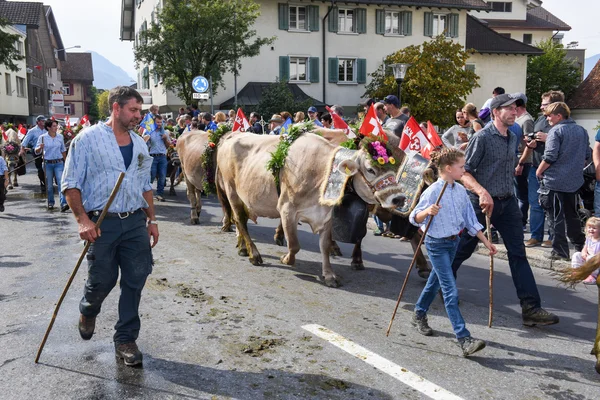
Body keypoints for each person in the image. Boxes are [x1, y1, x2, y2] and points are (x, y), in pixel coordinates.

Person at [62, 86, 158, 367]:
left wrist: (151, 220)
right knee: (102, 280)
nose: (137, 116)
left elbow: (144, 185)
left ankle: (125, 338)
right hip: (101, 224)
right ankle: (88, 309)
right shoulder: (87, 140)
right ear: (116, 108)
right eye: (133, 110)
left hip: (134, 223)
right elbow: (71, 184)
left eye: (139, 111)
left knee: (136, 278)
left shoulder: (140, 144)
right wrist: (82, 220)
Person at [450, 93, 560, 326]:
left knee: (518, 253)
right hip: (480, 204)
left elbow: (507, 165)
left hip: (507, 203)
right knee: (463, 249)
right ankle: (442, 284)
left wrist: (519, 164)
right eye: (509, 108)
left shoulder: (512, 137)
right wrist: (481, 192)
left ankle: (531, 307)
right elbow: (464, 172)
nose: (514, 112)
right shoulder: (482, 138)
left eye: (516, 108)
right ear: (495, 112)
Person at [409, 147, 497, 357]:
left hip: (453, 243)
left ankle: (419, 314)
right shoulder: (432, 191)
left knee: (435, 281)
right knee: (450, 290)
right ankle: (463, 338)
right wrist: (426, 212)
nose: (464, 170)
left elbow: (470, 221)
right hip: (436, 244)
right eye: (461, 167)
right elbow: (413, 217)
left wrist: (486, 242)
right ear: (448, 168)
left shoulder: (460, 191)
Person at [536, 102, 589, 261]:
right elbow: (586, 155)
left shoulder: (556, 131)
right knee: (572, 216)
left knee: (555, 218)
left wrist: (539, 170)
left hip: (554, 181)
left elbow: (550, 156)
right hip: (574, 181)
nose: (547, 119)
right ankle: (580, 248)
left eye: (549, 115)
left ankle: (560, 251)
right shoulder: (582, 131)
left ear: (559, 116)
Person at [520, 91, 564, 248]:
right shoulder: (540, 119)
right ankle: (536, 236)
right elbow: (535, 139)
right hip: (535, 167)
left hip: (553, 169)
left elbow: (565, 145)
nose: (541, 106)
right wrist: (531, 142)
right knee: (535, 203)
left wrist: (548, 138)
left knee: (552, 205)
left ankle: (553, 237)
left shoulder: (562, 122)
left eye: (544, 104)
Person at [34, 119, 67, 211]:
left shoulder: (60, 137)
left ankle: (63, 203)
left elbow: (63, 150)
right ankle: (51, 202)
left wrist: (66, 162)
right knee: (49, 185)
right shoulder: (42, 137)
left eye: (56, 126)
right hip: (47, 163)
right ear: (48, 127)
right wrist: (40, 148)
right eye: (54, 126)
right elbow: (37, 151)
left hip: (59, 163)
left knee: (61, 183)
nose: (56, 127)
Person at [513, 93, 534, 232]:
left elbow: (529, 143)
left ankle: (521, 223)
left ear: (517, 106)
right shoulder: (519, 119)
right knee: (517, 193)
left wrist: (521, 162)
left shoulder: (526, 120)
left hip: (523, 160)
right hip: (517, 158)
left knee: (521, 194)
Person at [143, 114, 171, 202]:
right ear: (154, 122)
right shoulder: (149, 131)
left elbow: (168, 146)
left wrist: (165, 139)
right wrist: (146, 139)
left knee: (162, 176)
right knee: (152, 175)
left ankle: (160, 194)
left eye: (161, 122)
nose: (159, 124)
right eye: (157, 122)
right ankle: (147, 193)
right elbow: (143, 145)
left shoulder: (164, 132)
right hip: (152, 157)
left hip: (162, 157)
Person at [19, 115, 47, 193]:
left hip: (48, 151)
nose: (44, 122)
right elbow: (25, 141)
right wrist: (22, 149)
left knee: (49, 167)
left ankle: (49, 181)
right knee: (40, 169)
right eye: (42, 121)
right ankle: (43, 183)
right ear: (38, 122)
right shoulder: (32, 131)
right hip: (37, 151)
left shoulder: (47, 130)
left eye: (44, 121)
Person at [571, 217, 600, 284]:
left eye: (594, 228)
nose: (591, 230)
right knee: (576, 255)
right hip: (588, 258)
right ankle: (577, 271)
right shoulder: (589, 238)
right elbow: (585, 247)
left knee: (591, 258)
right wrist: (584, 252)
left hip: (597, 261)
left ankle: (593, 276)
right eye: (589, 227)